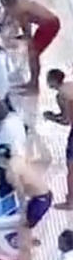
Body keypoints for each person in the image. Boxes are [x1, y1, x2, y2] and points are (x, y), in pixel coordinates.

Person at [0, 144, 51, 260]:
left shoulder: (11, 171)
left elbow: (20, 193)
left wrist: (23, 211)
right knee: (26, 226)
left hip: (39, 200)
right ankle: (29, 241)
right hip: (45, 195)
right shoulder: (17, 158)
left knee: (23, 229)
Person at [2, 0, 61, 93]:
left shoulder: (19, 10)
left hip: (50, 26)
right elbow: (8, 16)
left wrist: (20, 40)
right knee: (32, 51)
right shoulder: (18, 0)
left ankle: (34, 85)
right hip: (47, 24)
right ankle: (32, 83)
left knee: (33, 54)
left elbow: (27, 32)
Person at [44, 69, 73, 209]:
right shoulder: (70, 85)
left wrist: (51, 117)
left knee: (71, 166)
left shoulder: (61, 95)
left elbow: (66, 120)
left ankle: (71, 202)